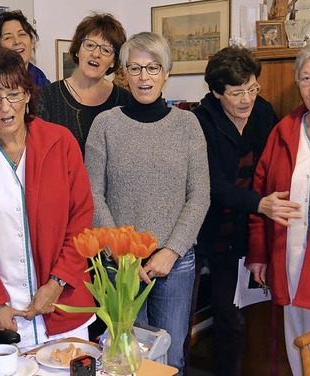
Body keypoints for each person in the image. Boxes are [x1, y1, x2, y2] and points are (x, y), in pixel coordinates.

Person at [0, 48, 96, 351]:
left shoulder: (60, 142)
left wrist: (57, 283)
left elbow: (81, 219)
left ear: (27, 95)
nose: (5, 107)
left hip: (64, 303)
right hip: (5, 315)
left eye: (13, 94)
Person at [84, 32, 210, 375]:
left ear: (166, 73)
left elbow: (199, 195)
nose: (144, 77)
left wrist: (172, 250)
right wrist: (122, 255)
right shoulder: (105, 125)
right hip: (121, 266)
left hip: (176, 263)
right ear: (123, 72)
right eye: (135, 68)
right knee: (126, 360)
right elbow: (93, 194)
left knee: (171, 358)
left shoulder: (188, 125)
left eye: (153, 68)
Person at [192, 46, 298, 376]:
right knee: (186, 322)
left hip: (243, 232)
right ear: (215, 92)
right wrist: (259, 203)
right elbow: (211, 185)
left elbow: (278, 162)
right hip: (203, 232)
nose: (247, 100)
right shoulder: (199, 122)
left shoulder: (263, 112)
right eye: (237, 93)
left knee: (233, 321)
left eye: (253, 89)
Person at [247, 38, 310, 375]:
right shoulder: (284, 131)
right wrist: (258, 253)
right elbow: (261, 197)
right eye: (305, 78)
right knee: (299, 355)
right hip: (288, 266)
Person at [36, 13, 132, 155]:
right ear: (77, 51)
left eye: (106, 50)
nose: (96, 54)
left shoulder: (126, 101)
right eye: (90, 45)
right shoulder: (49, 97)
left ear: (113, 61)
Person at [0, 10, 50, 88]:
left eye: (22, 34)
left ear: (32, 42)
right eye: (8, 37)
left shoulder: (42, 80)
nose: (17, 41)